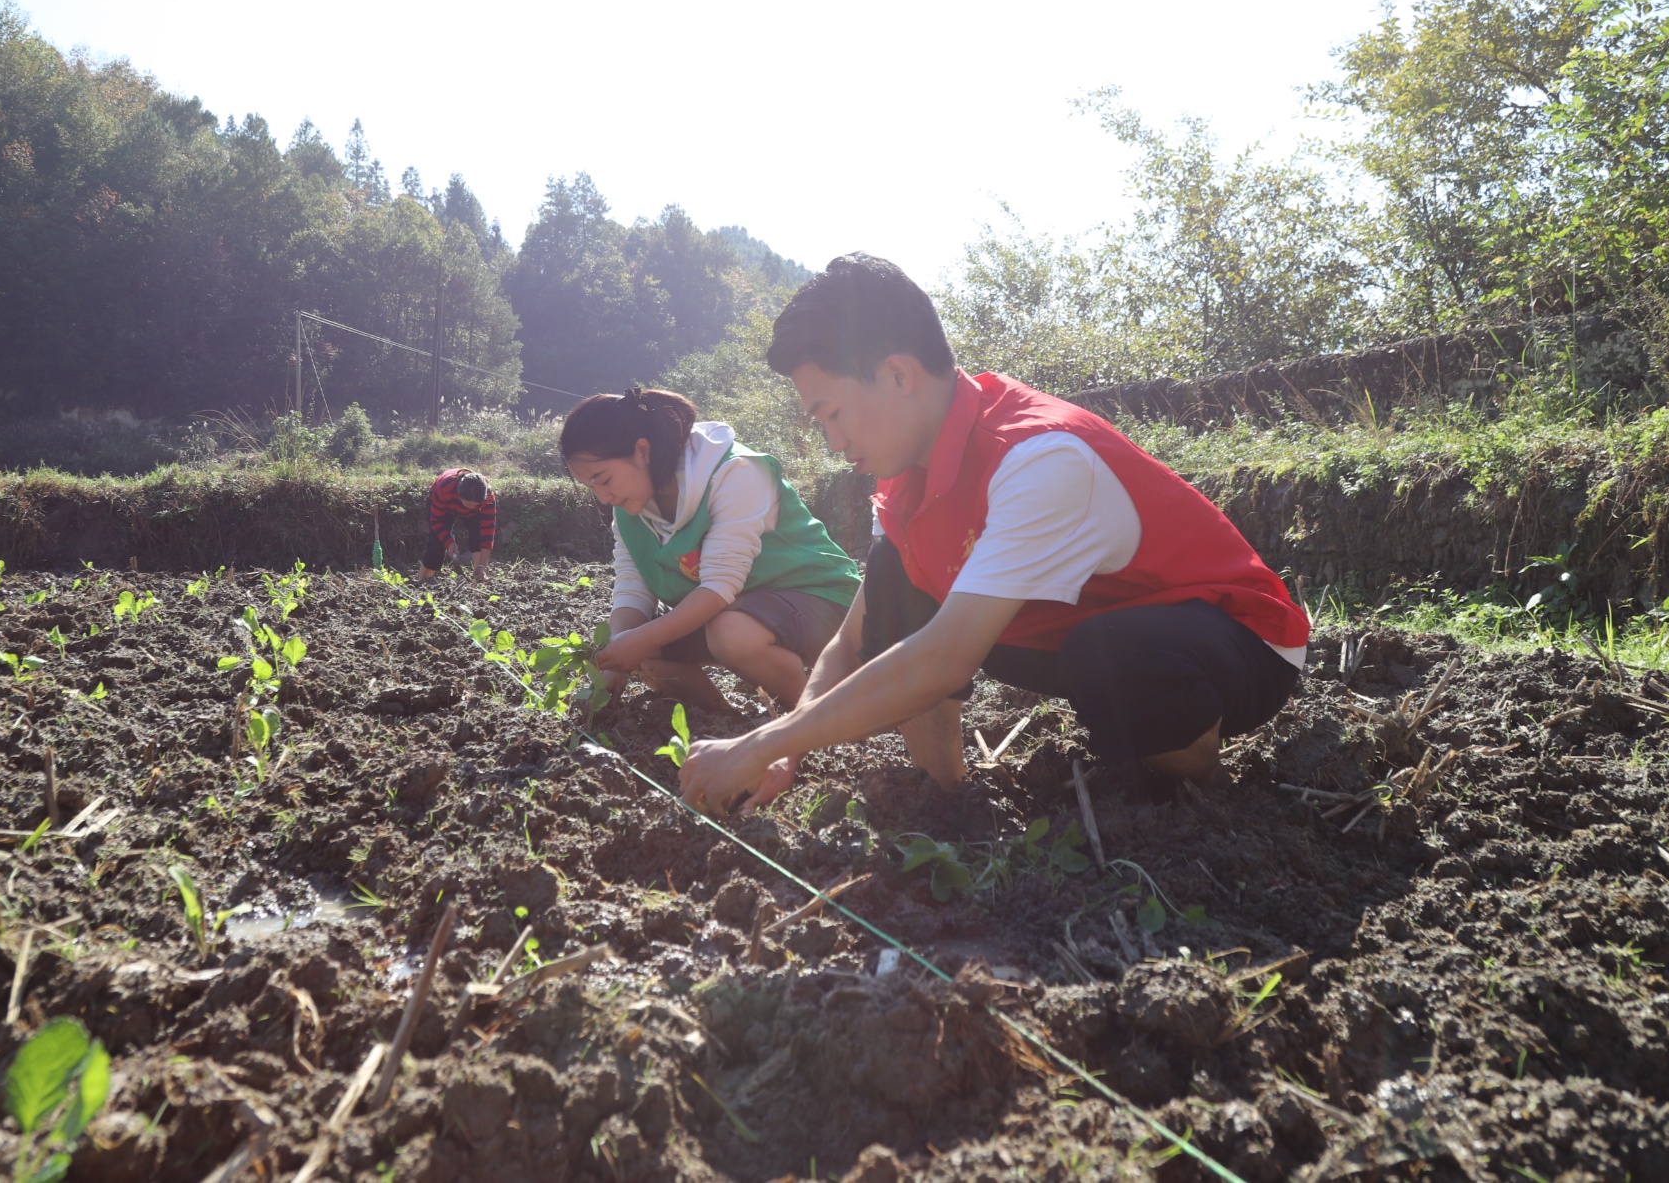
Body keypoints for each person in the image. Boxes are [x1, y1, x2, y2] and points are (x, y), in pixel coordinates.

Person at [680, 253, 1310, 816]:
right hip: (1083, 630)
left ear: (898, 375)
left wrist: (759, 741)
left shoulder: (1037, 457)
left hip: (1239, 642)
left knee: (1112, 654)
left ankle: (1197, 798)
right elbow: (851, 644)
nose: (833, 442)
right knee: (897, 585)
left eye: (834, 414)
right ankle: (948, 799)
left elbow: (946, 657)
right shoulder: (905, 479)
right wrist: (785, 752)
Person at [562, 389, 862, 733]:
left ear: (642, 451)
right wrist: (618, 652)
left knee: (729, 634)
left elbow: (720, 586)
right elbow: (633, 585)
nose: (603, 497)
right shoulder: (630, 508)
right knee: (638, 647)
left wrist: (639, 640)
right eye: (591, 487)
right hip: (739, 613)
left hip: (823, 607)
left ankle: (816, 720)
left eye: (604, 479)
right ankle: (724, 720)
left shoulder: (735, 472)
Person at [419, 468, 496, 584]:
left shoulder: (487, 498)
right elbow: (436, 521)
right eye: (469, 503)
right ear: (459, 495)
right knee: (436, 544)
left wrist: (482, 566)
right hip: (444, 506)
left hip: (470, 510)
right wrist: (449, 542)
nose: (471, 507)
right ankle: (423, 582)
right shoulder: (445, 488)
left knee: (478, 537)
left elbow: (488, 532)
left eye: (476, 504)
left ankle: (478, 578)